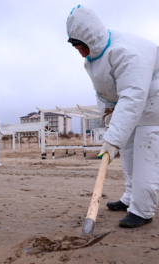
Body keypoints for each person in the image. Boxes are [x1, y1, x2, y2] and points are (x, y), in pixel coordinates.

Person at [66, 5, 159, 228]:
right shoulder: (94, 57)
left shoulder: (127, 52)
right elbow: (103, 91)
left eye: (82, 48)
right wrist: (108, 118)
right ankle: (130, 197)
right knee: (126, 152)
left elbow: (133, 96)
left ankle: (142, 210)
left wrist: (112, 139)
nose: (81, 53)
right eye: (78, 48)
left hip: (153, 106)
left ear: (91, 40)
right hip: (132, 105)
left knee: (145, 155)